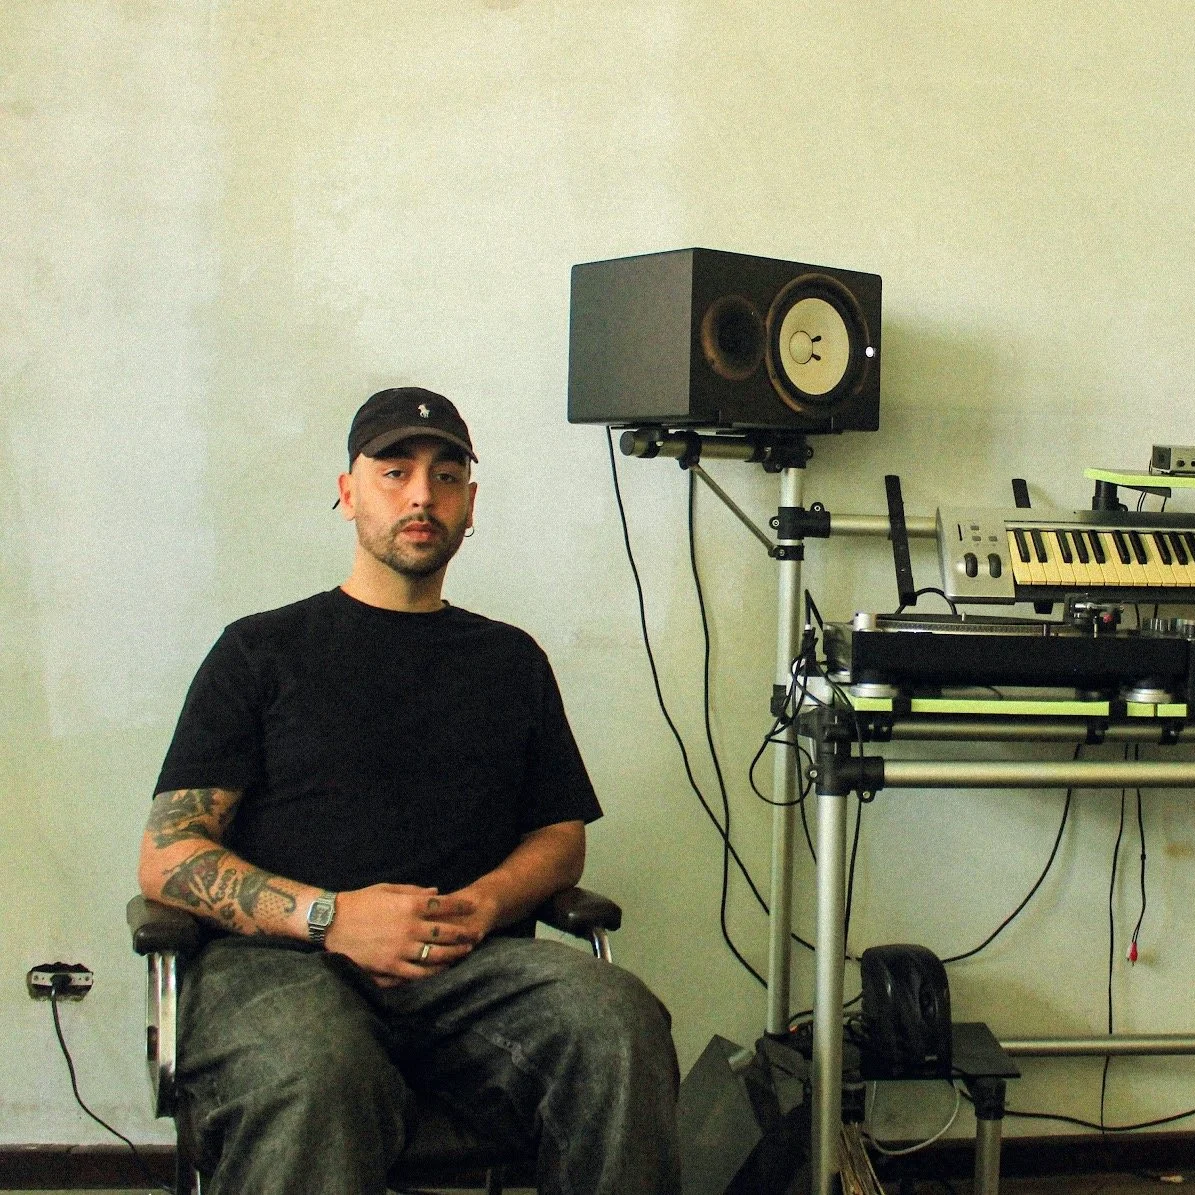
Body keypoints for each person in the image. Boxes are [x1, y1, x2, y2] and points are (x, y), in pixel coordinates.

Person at [138, 387, 682, 1195]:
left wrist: (484, 904)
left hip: (470, 967)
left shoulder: (509, 661)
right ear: (348, 492)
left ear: (470, 504)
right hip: (278, 966)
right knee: (317, 1069)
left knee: (619, 1023)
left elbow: (558, 837)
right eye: (394, 471)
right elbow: (168, 855)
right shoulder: (260, 651)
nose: (421, 494)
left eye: (446, 475)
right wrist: (332, 917)